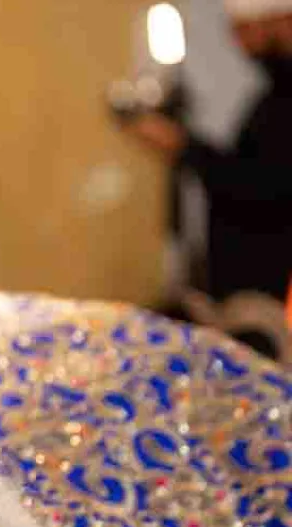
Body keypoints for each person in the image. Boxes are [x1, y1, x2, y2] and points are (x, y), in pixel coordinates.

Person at [123, 0, 292, 357]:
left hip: (264, 294)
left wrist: (183, 147)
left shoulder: (280, 102)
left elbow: (263, 188)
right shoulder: (270, 94)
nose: (239, 43)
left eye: (245, 30)